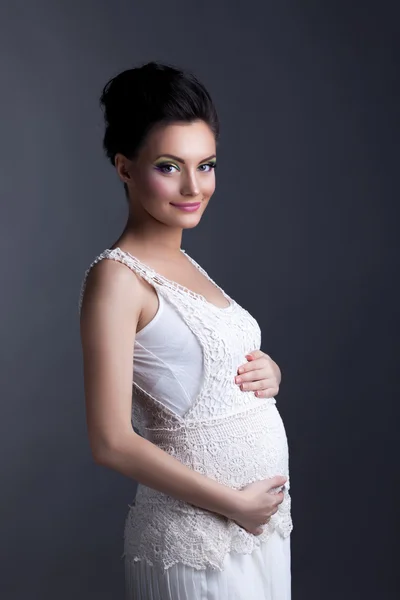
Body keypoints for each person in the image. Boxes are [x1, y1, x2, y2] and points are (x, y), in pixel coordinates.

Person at [79, 61, 293, 600]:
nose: (194, 187)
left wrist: (268, 372)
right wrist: (234, 503)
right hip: (194, 545)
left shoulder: (190, 265)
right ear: (126, 168)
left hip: (258, 534)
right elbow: (110, 442)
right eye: (170, 166)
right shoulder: (116, 279)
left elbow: (201, 369)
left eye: (208, 164)